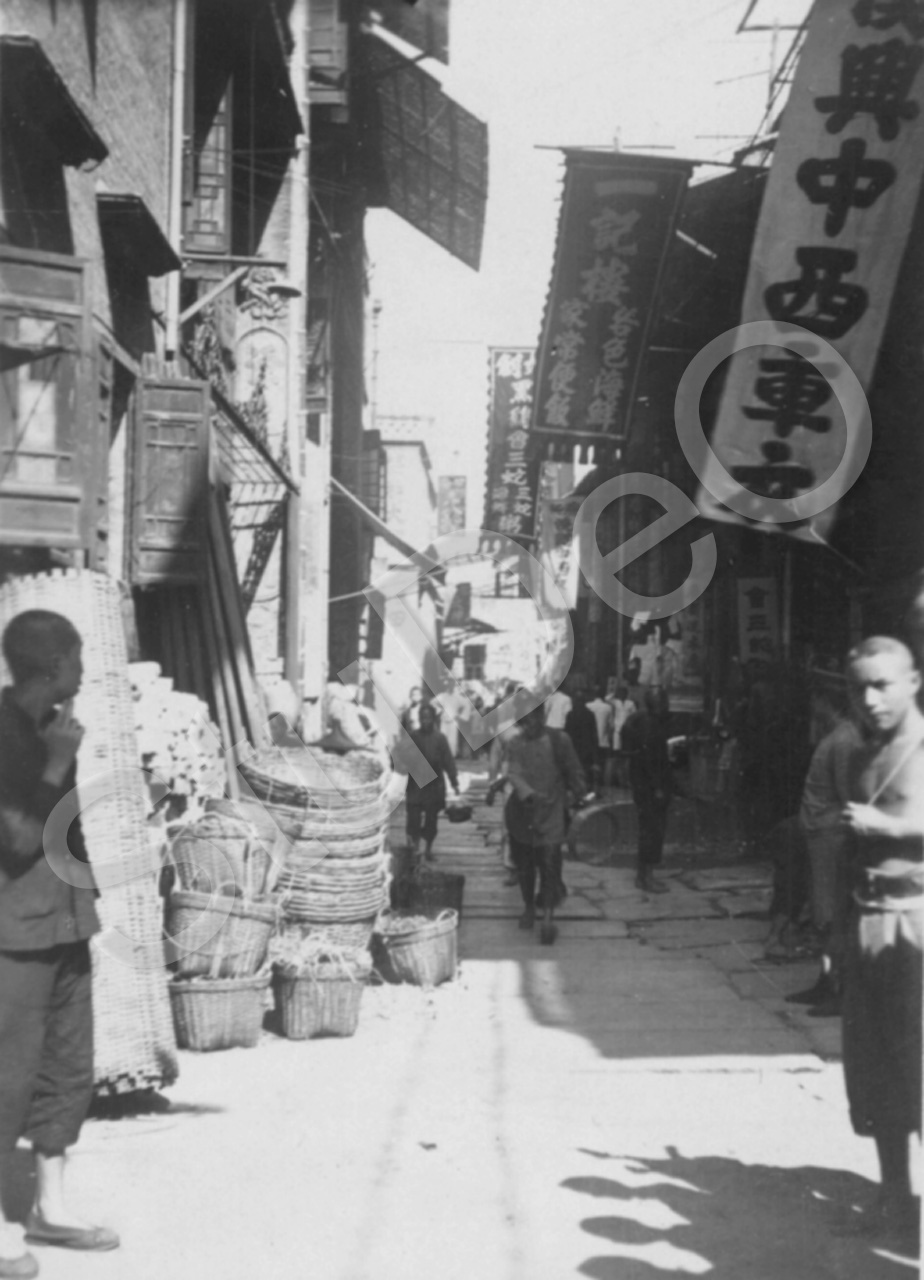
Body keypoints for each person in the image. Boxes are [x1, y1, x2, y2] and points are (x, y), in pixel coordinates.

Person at [0, 611, 119, 1279]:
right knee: (7, 1074)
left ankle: (51, 1206)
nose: (82, 671)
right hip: (16, 933)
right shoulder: (5, 734)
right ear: (53, 665)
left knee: (68, 1066)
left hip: (67, 920)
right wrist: (54, 765)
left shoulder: (53, 726)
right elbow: (18, 839)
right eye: (77, 659)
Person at [836, 636, 923, 1246]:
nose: (870, 699)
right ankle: (895, 1193)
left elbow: (880, 829)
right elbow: (852, 849)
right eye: (859, 687)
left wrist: (888, 826)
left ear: (913, 682)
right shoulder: (859, 753)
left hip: (916, 921)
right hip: (866, 921)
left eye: (882, 685)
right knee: (874, 1068)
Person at [486, 702, 586, 945]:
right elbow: (514, 773)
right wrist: (528, 794)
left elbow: (574, 770)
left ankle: (548, 916)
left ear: (542, 715)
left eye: (532, 717)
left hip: (551, 813)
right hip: (522, 814)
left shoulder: (560, 740)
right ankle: (529, 906)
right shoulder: (515, 743)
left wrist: (579, 792)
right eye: (524, 720)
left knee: (550, 864)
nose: (528, 724)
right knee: (526, 866)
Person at [786, 713, 862, 1014]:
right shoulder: (837, 738)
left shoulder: (844, 740)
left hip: (832, 837)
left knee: (834, 916)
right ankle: (827, 982)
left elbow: (848, 794)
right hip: (822, 835)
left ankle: (840, 990)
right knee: (825, 914)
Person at [621, 688, 673, 894]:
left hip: (642, 785)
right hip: (651, 787)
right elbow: (650, 759)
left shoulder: (641, 720)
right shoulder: (651, 726)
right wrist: (658, 786)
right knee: (653, 832)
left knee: (647, 831)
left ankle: (642, 876)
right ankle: (647, 877)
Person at [404, 704, 459, 862]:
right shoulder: (412, 737)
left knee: (431, 819)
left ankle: (428, 849)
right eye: (422, 718)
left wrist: (454, 781)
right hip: (415, 784)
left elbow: (448, 761)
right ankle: (415, 849)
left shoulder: (440, 738)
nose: (425, 721)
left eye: (428, 718)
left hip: (434, 785)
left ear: (434, 719)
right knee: (413, 818)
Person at [564, 690, 599, 791]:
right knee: (584, 771)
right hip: (585, 748)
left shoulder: (570, 715)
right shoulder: (589, 714)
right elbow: (594, 734)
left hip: (575, 747)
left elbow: (567, 732)